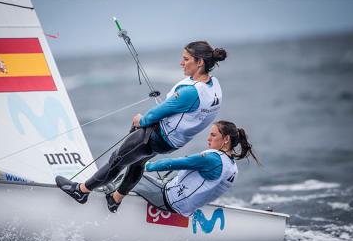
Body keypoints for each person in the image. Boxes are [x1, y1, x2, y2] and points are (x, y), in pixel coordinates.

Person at [56, 41, 227, 212]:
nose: (181, 63)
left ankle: (81, 191)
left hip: (156, 136)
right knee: (138, 162)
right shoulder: (214, 87)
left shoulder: (190, 92)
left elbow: (156, 114)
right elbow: (189, 113)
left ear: (200, 62)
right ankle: (115, 199)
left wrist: (142, 120)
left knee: (117, 160)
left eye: (186, 59)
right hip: (172, 143)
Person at [120, 121, 260, 216]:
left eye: (213, 135)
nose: (208, 139)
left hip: (167, 199)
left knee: (129, 175)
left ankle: (111, 200)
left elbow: (174, 163)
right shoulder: (232, 167)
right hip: (185, 208)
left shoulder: (213, 159)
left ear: (226, 139)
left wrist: (145, 165)